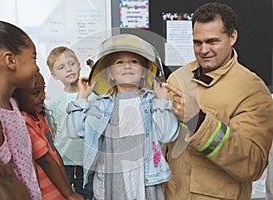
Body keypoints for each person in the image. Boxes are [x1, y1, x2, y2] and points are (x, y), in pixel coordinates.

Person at [162, 2, 273, 199]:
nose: (204, 50)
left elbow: (252, 164)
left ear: (232, 37)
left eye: (212, 41)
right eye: (197, 42)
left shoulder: (252, 90)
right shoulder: (178, 78)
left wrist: (198, 121)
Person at [66, 34, 180, 200]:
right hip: (110, 180)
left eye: (134, 61)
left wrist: (162, 100)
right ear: (110, 74)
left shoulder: (153, 101)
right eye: (120, 62)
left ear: (143, 72)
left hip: (146, 180)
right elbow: (76, 130)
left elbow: (168, 135)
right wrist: (82, 98)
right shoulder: (101, 105)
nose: (127, 65)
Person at [0, 20, 41, 200]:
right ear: (10, 60)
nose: (37, 67)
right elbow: (6, 177)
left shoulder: (11, 103)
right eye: (34, 57)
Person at [13, 72, 83, 200]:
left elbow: (53, 151)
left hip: (60, 188)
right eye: (35, 93)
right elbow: (45, 160)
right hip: (46, 193)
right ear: (17, 97)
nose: (42, 96)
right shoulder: (24, 122)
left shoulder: (38, 117)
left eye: (43, 90)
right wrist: (69, 193)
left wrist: (67, 187)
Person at [46, 46, 93, 199]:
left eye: (72, 63)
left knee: (86, 195)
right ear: (54, 75)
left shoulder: (91, 96)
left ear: (79, 65)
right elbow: (52, 131)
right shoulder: (54, 100)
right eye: (61, 67)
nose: (68, 69)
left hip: (87, 161)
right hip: (63, 160)